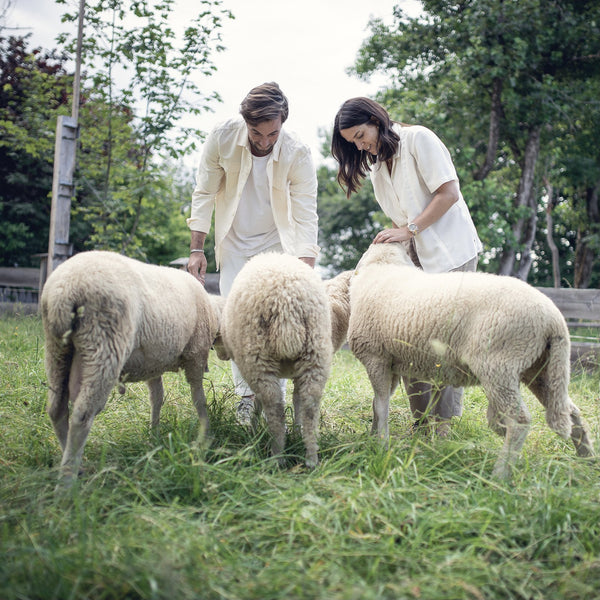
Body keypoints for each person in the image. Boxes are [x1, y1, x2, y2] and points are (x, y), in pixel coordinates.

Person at [331, 97, 483, 436]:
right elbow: (399, 217)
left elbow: (448, 192)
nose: (360, 144)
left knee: (443, 340)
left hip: (450, 253)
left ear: (375, 119)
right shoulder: (378, 166)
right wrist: (393, 240)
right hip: (415, 260)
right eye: (352, 142)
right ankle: (421, 422)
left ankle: (442, 425)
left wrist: (408, 230)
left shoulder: (419, 140)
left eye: (360, 135)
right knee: (410, 339)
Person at [186, 82, 320, 425]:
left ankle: (273, 399)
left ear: (283, 122)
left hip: (277, 242)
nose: (263, 141)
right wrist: (196, 248)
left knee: (274, 320)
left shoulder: (298, 152)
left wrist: (305, 265)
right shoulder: (222, 137)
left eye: (272, 133)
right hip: (232, 242)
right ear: (244, 122)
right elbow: (204, 191)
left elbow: (306, 212)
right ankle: (246, 400)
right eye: (255, 133)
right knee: (237, 322)